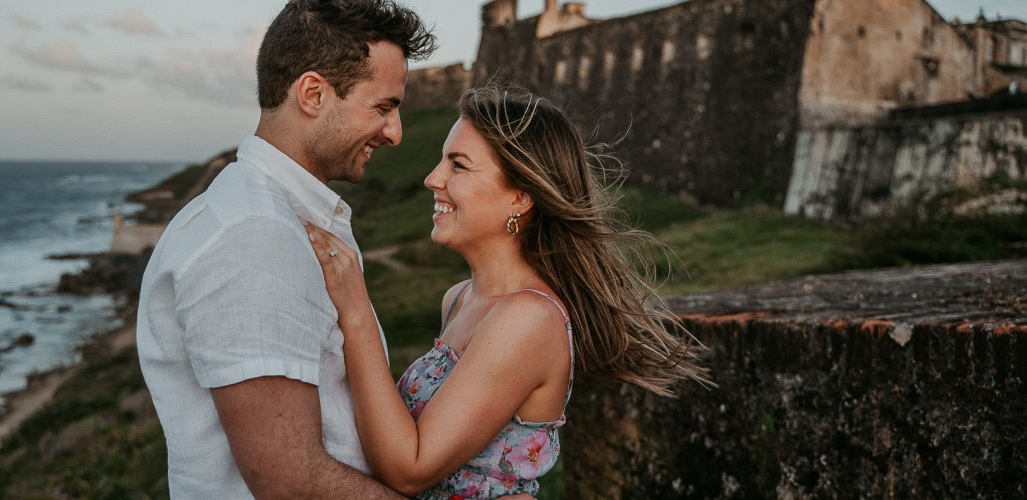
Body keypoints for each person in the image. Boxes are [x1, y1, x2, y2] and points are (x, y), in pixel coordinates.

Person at [304, 85, 711, 498]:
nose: (433, 178)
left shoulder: (529, 318)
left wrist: (354, 308)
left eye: (458, 165)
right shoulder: (460, 298)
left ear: (519, 197)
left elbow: (411, 467)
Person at [135, 1, 435, 497]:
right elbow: (292, 482)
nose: (395, 133)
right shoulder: (255, 234)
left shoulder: (267, 216)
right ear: (313, 93)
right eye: (383, 108)